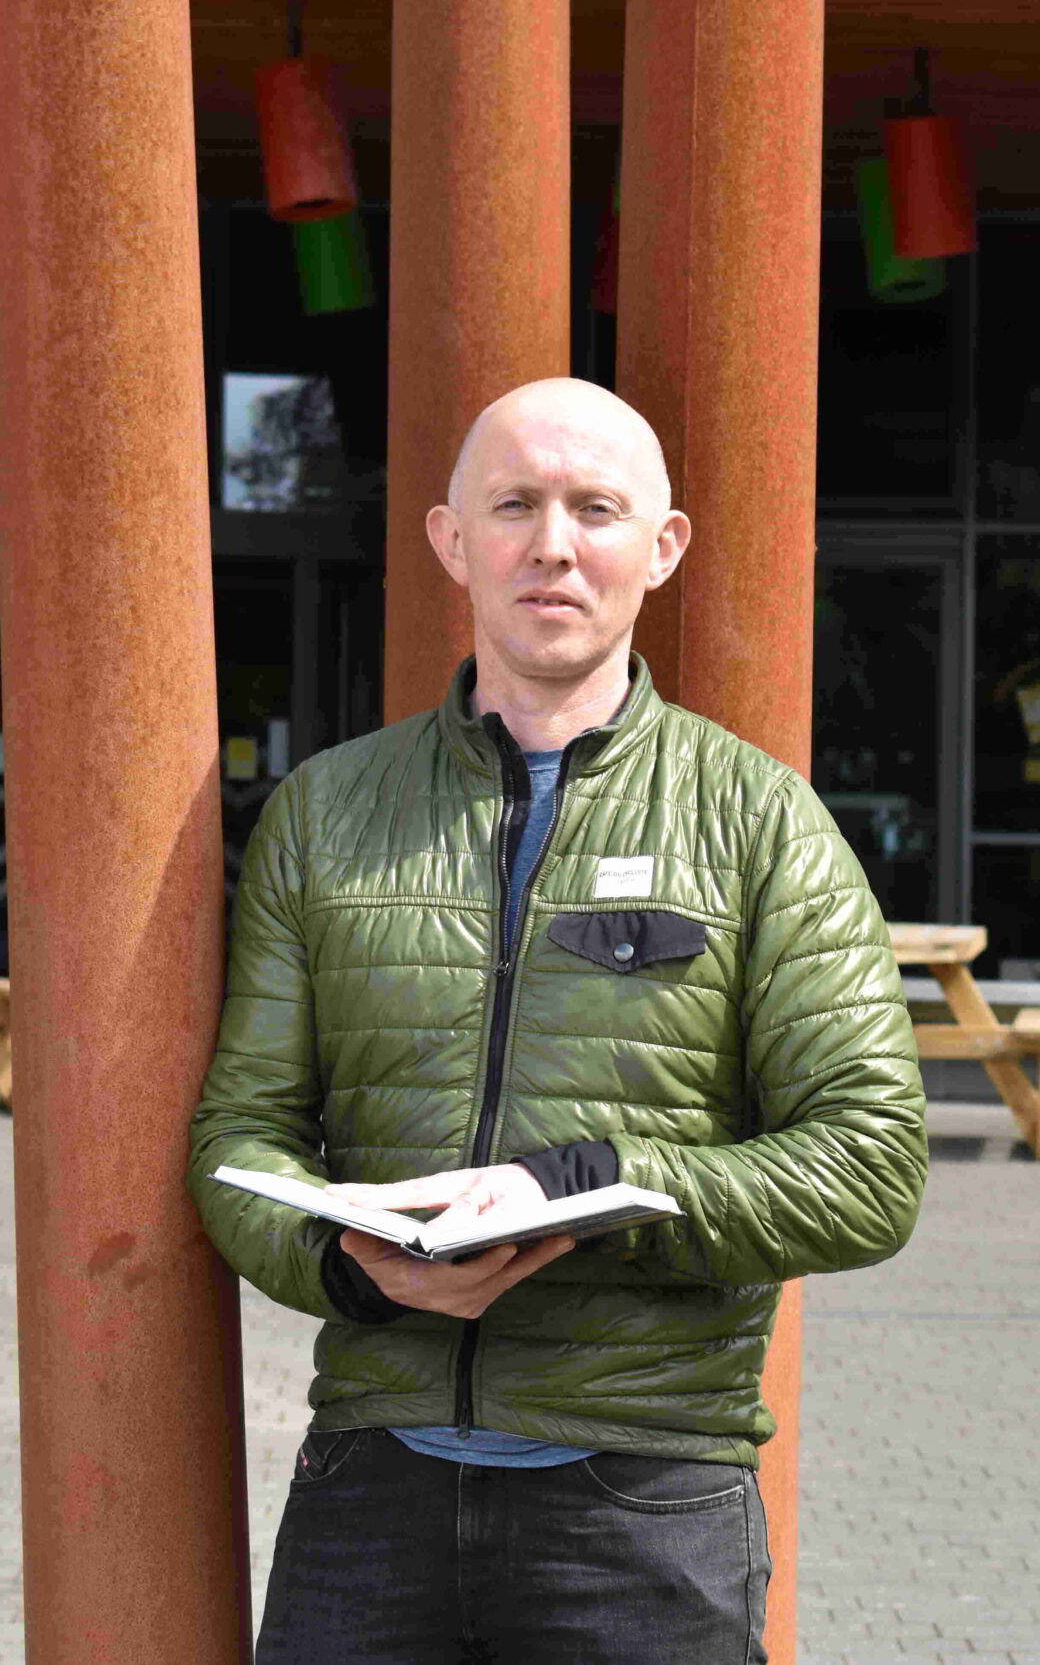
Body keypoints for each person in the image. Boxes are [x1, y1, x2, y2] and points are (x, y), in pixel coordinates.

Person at [189, 376, 926, 1664]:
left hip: (644, 1501)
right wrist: (345, 1269)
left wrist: (593, 1187)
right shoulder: (324, 813)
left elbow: (872, 1165)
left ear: (664, 545)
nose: (554, 544)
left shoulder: (759, 822)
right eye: (515, 504)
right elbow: (240, 1139)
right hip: (372, 1487)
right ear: (449, 538)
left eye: (596, 507)